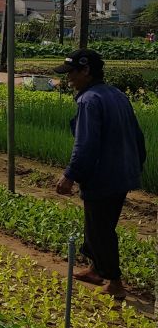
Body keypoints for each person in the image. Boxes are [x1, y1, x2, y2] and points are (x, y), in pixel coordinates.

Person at [53, 49, 145, 300]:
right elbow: (137, 136)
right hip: (122, 172)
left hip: (103, 175)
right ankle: (95, 270)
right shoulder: (117, 94)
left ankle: (115, 282)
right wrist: (135, 166)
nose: (69, 78)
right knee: (100, 223)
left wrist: (70, 175)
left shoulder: (89, 100)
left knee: (100, 229)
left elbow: (85, 144)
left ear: (86, 70)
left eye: (72, 72)